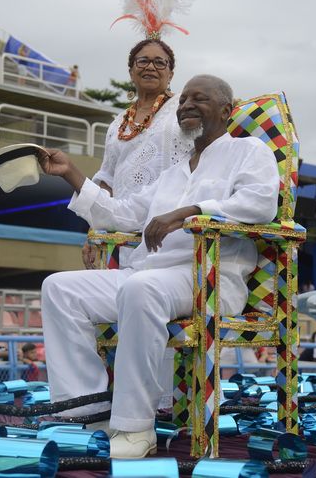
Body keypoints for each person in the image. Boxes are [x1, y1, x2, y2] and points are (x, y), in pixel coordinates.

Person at [39, 74, 280, 459]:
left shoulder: (248, 151)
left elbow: (261, 202)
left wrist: (189, 212)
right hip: (147, 273)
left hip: (206, 278)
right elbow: (118, 214)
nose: (185, 104)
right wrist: (70, 172)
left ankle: (135, 427)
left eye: (198, 98)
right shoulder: (173, 172)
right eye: (183, 99)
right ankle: (89, 412)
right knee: (60, 288)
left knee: (141, 288)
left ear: (226, 111)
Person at [83, 38, 193, 269]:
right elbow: (106, 180)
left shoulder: (183, 109)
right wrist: (94, 232)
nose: (150, 67)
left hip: (168, 229)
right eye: (143, 61)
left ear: (171, 74)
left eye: (159, 63)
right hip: (120, 232)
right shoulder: (117, 123)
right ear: (132, 71)